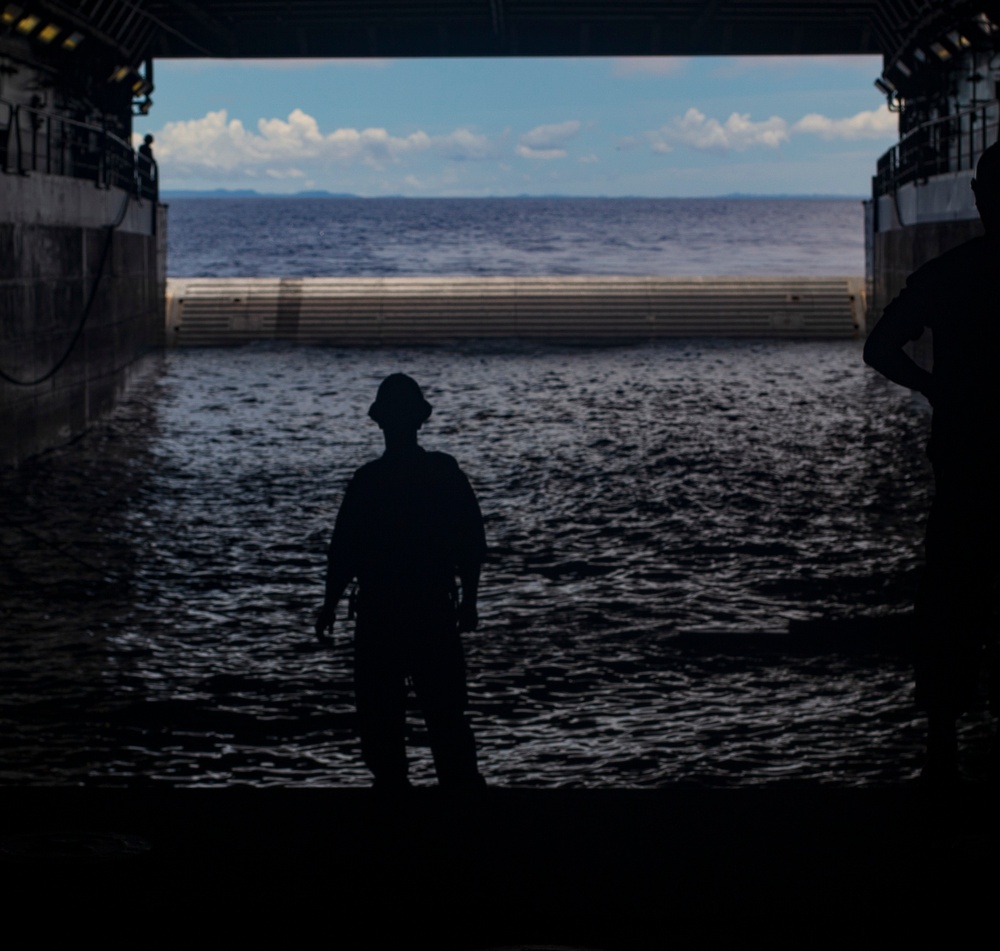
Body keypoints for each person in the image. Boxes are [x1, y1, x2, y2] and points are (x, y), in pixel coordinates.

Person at [864, 142, 1000, 783]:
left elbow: (880, 347)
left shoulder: (951, 274)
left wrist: (935, 388)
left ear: (980, 200)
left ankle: (940, 753)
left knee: (949, 600)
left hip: (966, 470)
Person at [315, 373, 487, 790]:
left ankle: (393, 802)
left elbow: (344, 552)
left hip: (380, 612)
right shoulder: (444, 472)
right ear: (419, 421)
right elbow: (472, 541)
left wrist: (330, 605)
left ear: (380, 423)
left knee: (380, 716)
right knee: (446, 713)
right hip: (432, 607)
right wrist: (469, 600)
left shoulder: (367, 481)